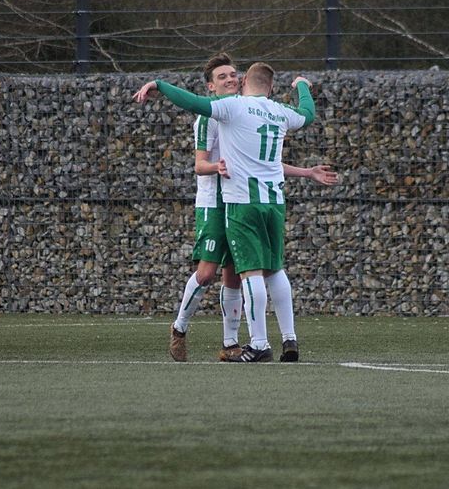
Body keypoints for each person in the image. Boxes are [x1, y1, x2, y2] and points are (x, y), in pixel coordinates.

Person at [134, 54, 336, 362]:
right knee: (207, 274)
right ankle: (180, 327)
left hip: (239, 200)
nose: (230, 79)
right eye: (222, 76)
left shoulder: (238, 108)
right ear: (210, 86)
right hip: (216, 202)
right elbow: (200, 165)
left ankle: (231, 343)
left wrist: (306, 172)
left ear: (242, 81)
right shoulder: (213, 115)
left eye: (233, 75)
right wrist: (215, 166)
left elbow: (262, 162)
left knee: (235, 275)